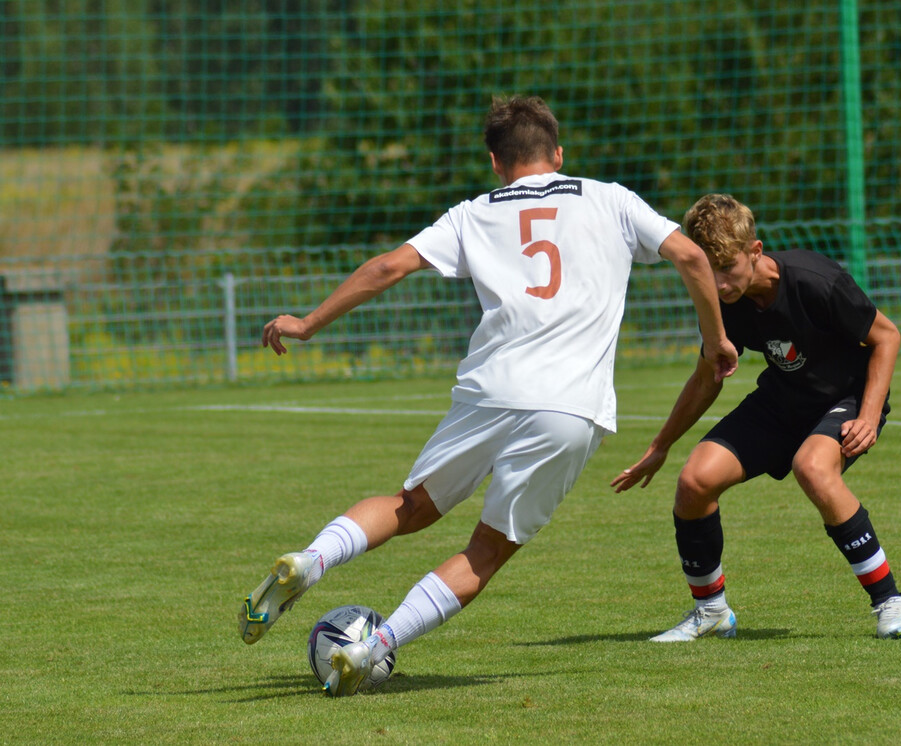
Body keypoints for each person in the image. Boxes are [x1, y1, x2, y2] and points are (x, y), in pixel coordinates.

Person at [239, 95, 739, 696]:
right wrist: (715, 342)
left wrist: (310, 322)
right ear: (558, 153)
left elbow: (386, 268)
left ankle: (312, 559)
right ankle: (375, 646)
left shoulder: (473, 213)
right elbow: (688, 253)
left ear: (496, 162)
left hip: (490, 389)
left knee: (409, 508)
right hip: (569, 405)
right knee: (486, 550)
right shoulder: (610, 198)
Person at [611, 193, 901, 641]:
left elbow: (886, 337)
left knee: (812, 467)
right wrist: (660, 447)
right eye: (707, 270)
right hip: (783, 400)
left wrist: (869, 416)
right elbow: (707, 377)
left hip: (846, 399)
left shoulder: (815, 281)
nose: (718, 284)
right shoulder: (719, 301)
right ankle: (711, 611)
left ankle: (893, 605)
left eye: (727, 269)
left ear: (754, 251)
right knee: (695, 481)